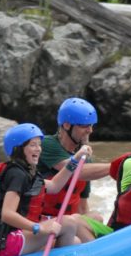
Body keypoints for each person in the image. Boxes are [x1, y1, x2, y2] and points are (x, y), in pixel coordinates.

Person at [0, 122, 89, 256]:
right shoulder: (16, 174)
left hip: (18, 237)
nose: (38, 149)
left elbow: (54, 185)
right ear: (18, 149)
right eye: (33, 145)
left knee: (75, 241)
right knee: (68, 222)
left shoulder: (27, 172)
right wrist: (38, 228)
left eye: (39, 145)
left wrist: (74, 160)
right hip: (5, 243)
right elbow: (7, 214)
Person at [36, 97, 112, 242]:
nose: (90, 130)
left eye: (91, 125)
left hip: (68, 221)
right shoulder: (46, 144)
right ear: (66, 125)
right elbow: (76, 171)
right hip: (43, 221)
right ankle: (95, 253)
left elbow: (82, 206)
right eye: (84, 126)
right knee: (75, 221)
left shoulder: (86, 159)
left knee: (95, 217)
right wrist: (117, 166)